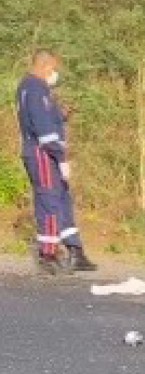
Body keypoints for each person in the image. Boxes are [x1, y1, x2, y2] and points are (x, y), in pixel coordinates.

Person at [16, 49, 97, 274]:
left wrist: (60, 115)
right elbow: (42, 128)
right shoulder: (33, 88)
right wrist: (60, 157)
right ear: (45, 66)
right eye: (54, 69)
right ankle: (48, 253)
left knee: (62, 199)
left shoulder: (39, 89)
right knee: (49, 201)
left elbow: (44, 117)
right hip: (42, 153)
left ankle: (75, 250)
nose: (55, 74)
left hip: (48, 152)